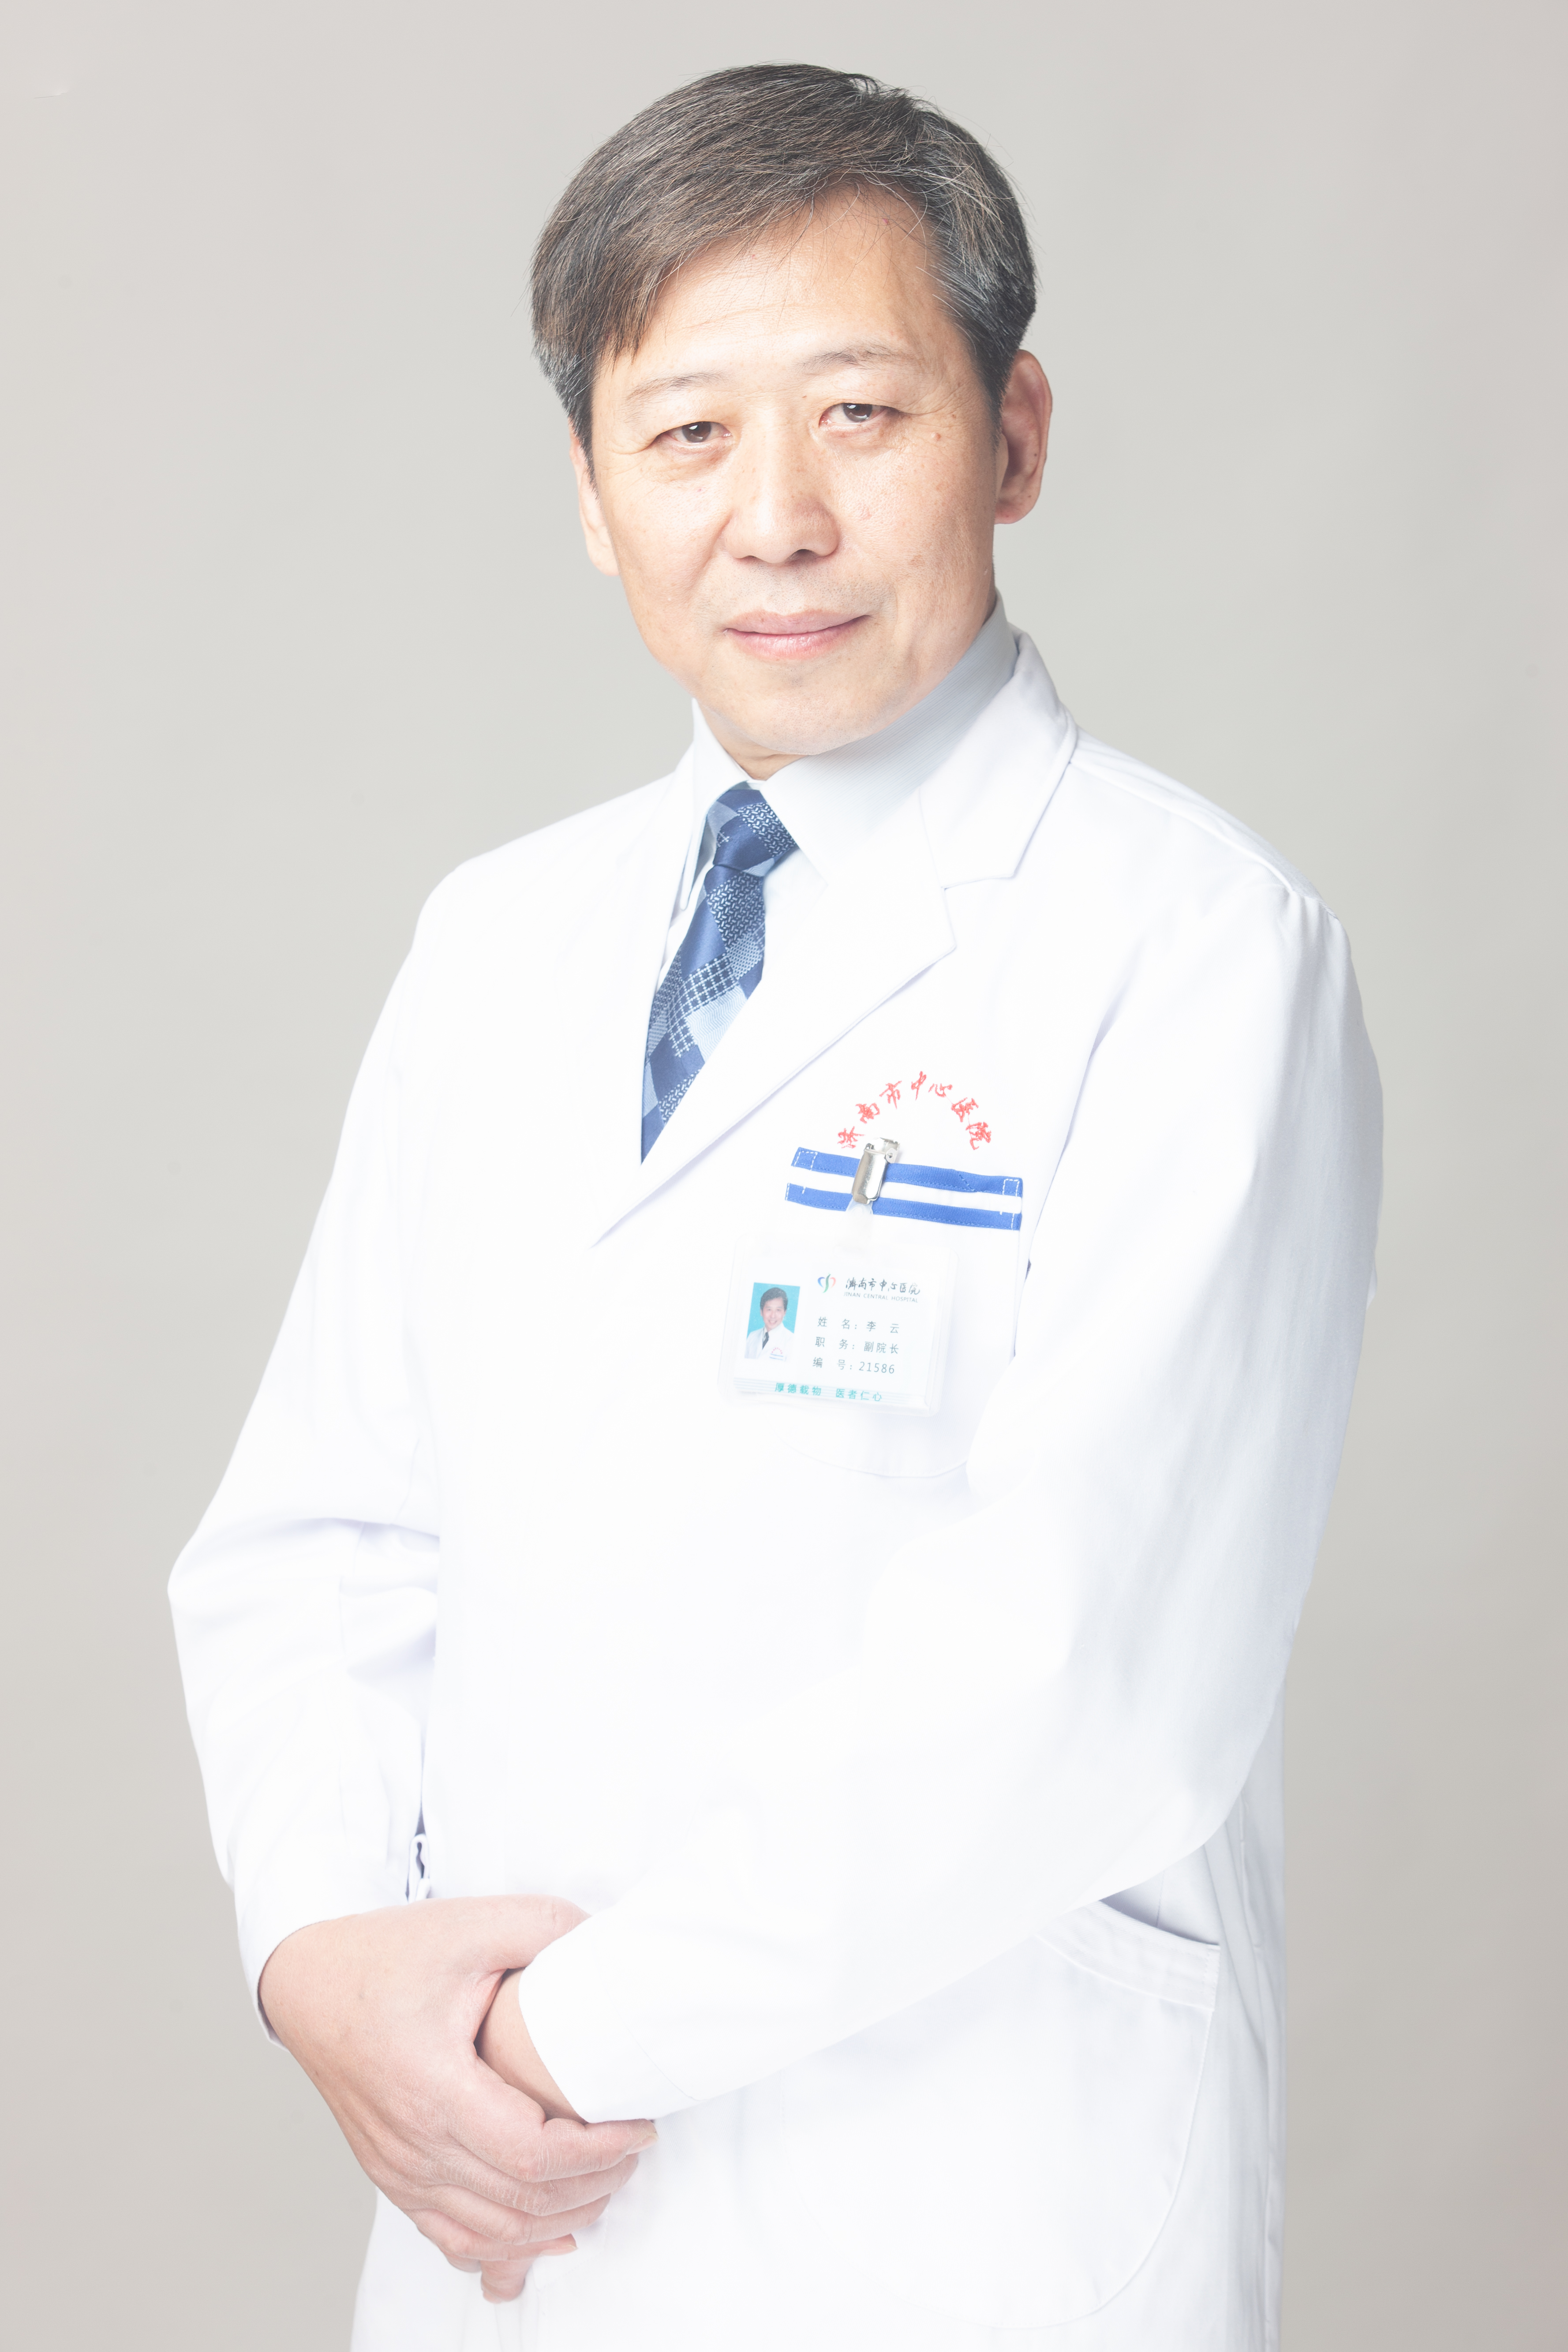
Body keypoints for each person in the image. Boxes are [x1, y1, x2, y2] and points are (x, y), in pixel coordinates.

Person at [169, 62, 1381, 2352]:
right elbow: (323, 1537)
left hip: (962, 2210)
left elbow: (1090, 1674)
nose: (776, 519)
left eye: (859, 413)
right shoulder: (495, 941)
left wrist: (540, 2048)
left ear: (1013, 436)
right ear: (590, 492)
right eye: (687, 433)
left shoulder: (1196, 952)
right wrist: (325, 1955)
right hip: (503, 2220)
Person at [744, 1286, 794, 1360]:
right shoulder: (752, 1337)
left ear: (785, 1312)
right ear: (761, 1312)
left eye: (778, 1310)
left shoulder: (792, 1341)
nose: (773, 1316)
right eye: (769, 1310)